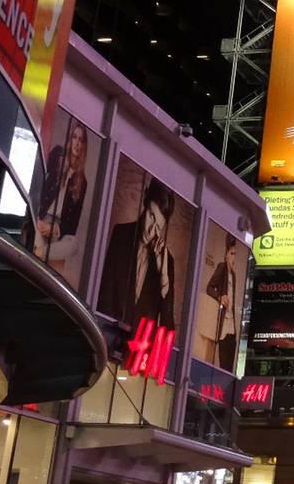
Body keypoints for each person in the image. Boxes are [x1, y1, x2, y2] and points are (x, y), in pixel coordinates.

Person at [97, 176, 180, 330]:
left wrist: (164, 281)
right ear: (145, 202)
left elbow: (167, 329)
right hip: (108, 337)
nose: (151, 230)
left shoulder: (167, 262)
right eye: (151, 215)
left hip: (140, 350)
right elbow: (104, 298)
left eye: (158, 226)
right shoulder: (120, 235)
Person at [22, 116, 90, 283]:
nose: (77, 143)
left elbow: (72, 226)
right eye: (74, 137)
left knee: (74, 244)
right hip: (40, 219)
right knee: (34, 233)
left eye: (81, 140)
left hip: (57, 231)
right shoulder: (57, 155)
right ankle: (39, 251)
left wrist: (55, 229)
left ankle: (41, 252)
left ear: (84, 146)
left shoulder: (83, 182)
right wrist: (38, 217)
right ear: (69, 139)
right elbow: (38, 183)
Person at [203, 233, 243, 371]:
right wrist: (220, 297)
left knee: (229, 367)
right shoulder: (222, 268)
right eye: (232, 254)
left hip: (231, 327)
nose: (234, 258)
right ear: (226, 254)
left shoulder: (234, 275)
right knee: (222, 364)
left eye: (235, 254)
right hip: (223, 326)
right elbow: (209, 287)